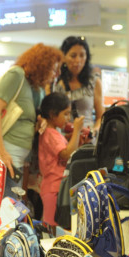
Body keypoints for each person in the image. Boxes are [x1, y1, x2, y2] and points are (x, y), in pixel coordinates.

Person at [0, 43, 64, 180]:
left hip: (20, 156)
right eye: (53, 70)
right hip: (8, 150)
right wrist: (1, 152)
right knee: (5, 192)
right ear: (42, 66)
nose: (55, 75)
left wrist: (40, 122)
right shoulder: (16, 75)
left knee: (12, 192)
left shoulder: (36, 87)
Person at [38, 92, 84, 227]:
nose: (68, 118)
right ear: (53, 114)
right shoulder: (50, 133)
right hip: (53, 188)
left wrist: (77, 139)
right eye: (65, 114)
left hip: (57, 188)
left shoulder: (54, 132)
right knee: (51, 227)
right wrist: (77, 130)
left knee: (57, 226)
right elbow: (66, 154)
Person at [52, 36, 104, 133]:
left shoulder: (94, 82)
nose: (78, 60)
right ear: (64, 57)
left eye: (82, 55)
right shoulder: (56, 83)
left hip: (87, 136)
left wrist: (93, 132)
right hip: (63, 138)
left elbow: (100, 117)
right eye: (73, 56)